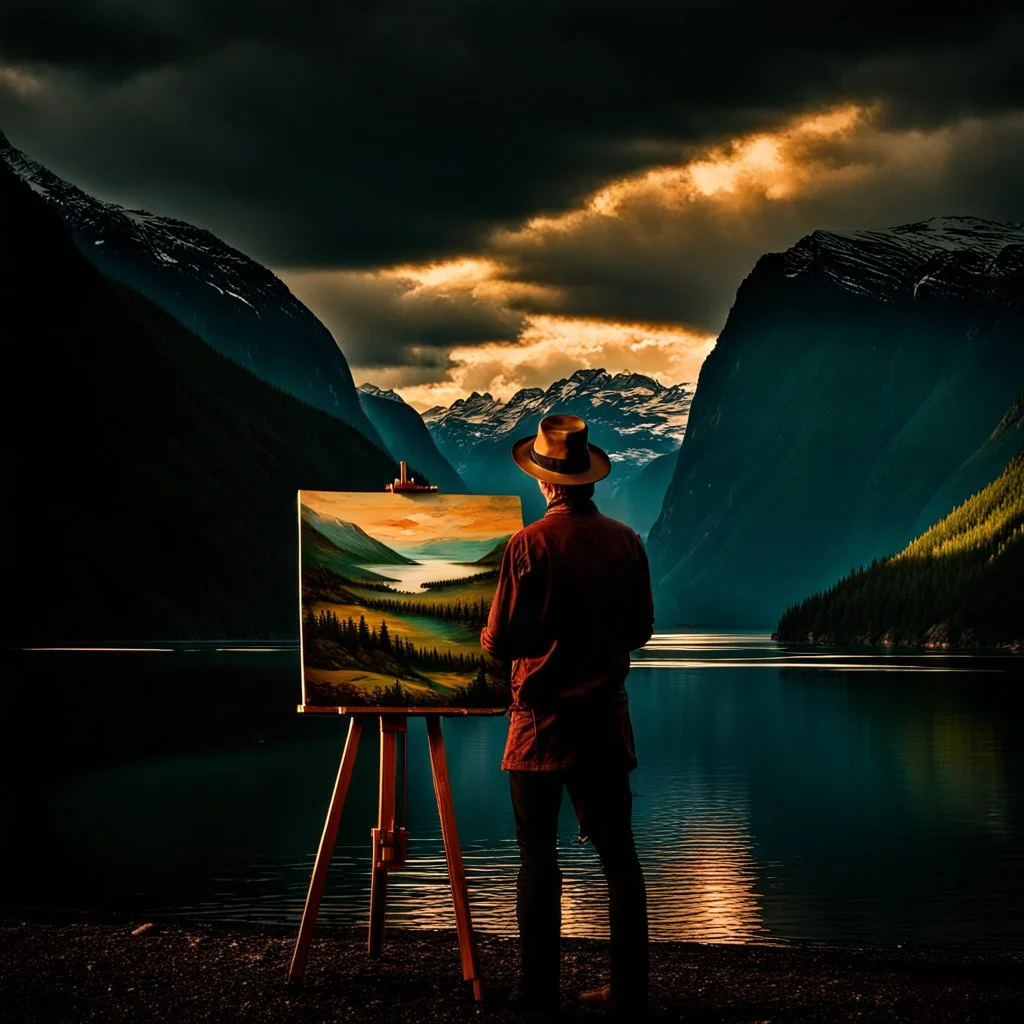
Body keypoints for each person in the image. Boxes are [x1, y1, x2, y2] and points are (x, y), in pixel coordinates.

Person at [481, 413, 653, 1016]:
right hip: (604, 723)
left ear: (547, 483)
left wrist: (492, 637)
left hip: (539, 727)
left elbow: (501, 643)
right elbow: (640, 632)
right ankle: (629, 992)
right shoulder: (627, 541)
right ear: (587, 479)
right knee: (620, 858)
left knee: (537, 858)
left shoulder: (526, 544)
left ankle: (537, 993)